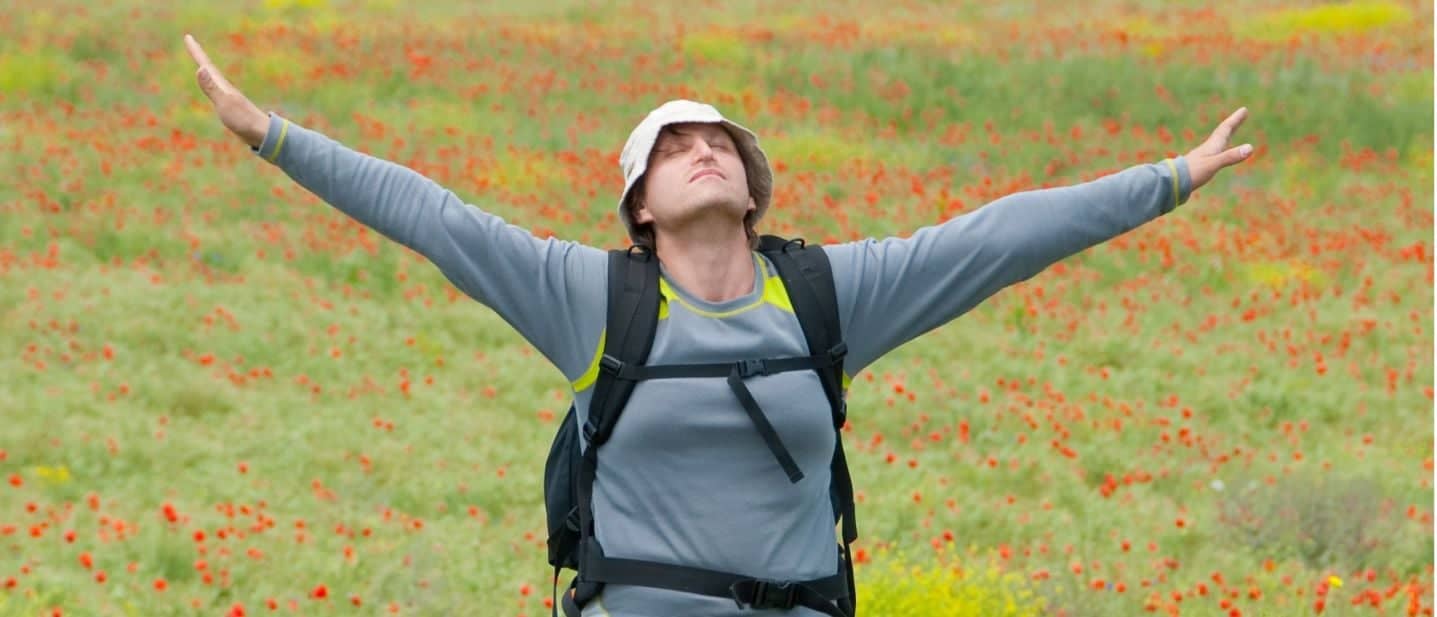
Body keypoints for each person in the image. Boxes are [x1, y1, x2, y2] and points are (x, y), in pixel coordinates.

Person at [184, 32, 1253, 617]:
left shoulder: (832, 294)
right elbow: (429, 212)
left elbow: (997, 238)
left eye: (721, 142)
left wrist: (1168, 178)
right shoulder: (586, 297)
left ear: (752, 186)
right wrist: (268, 134)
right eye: (674, 144)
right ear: (640, 205)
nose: (704, 149)